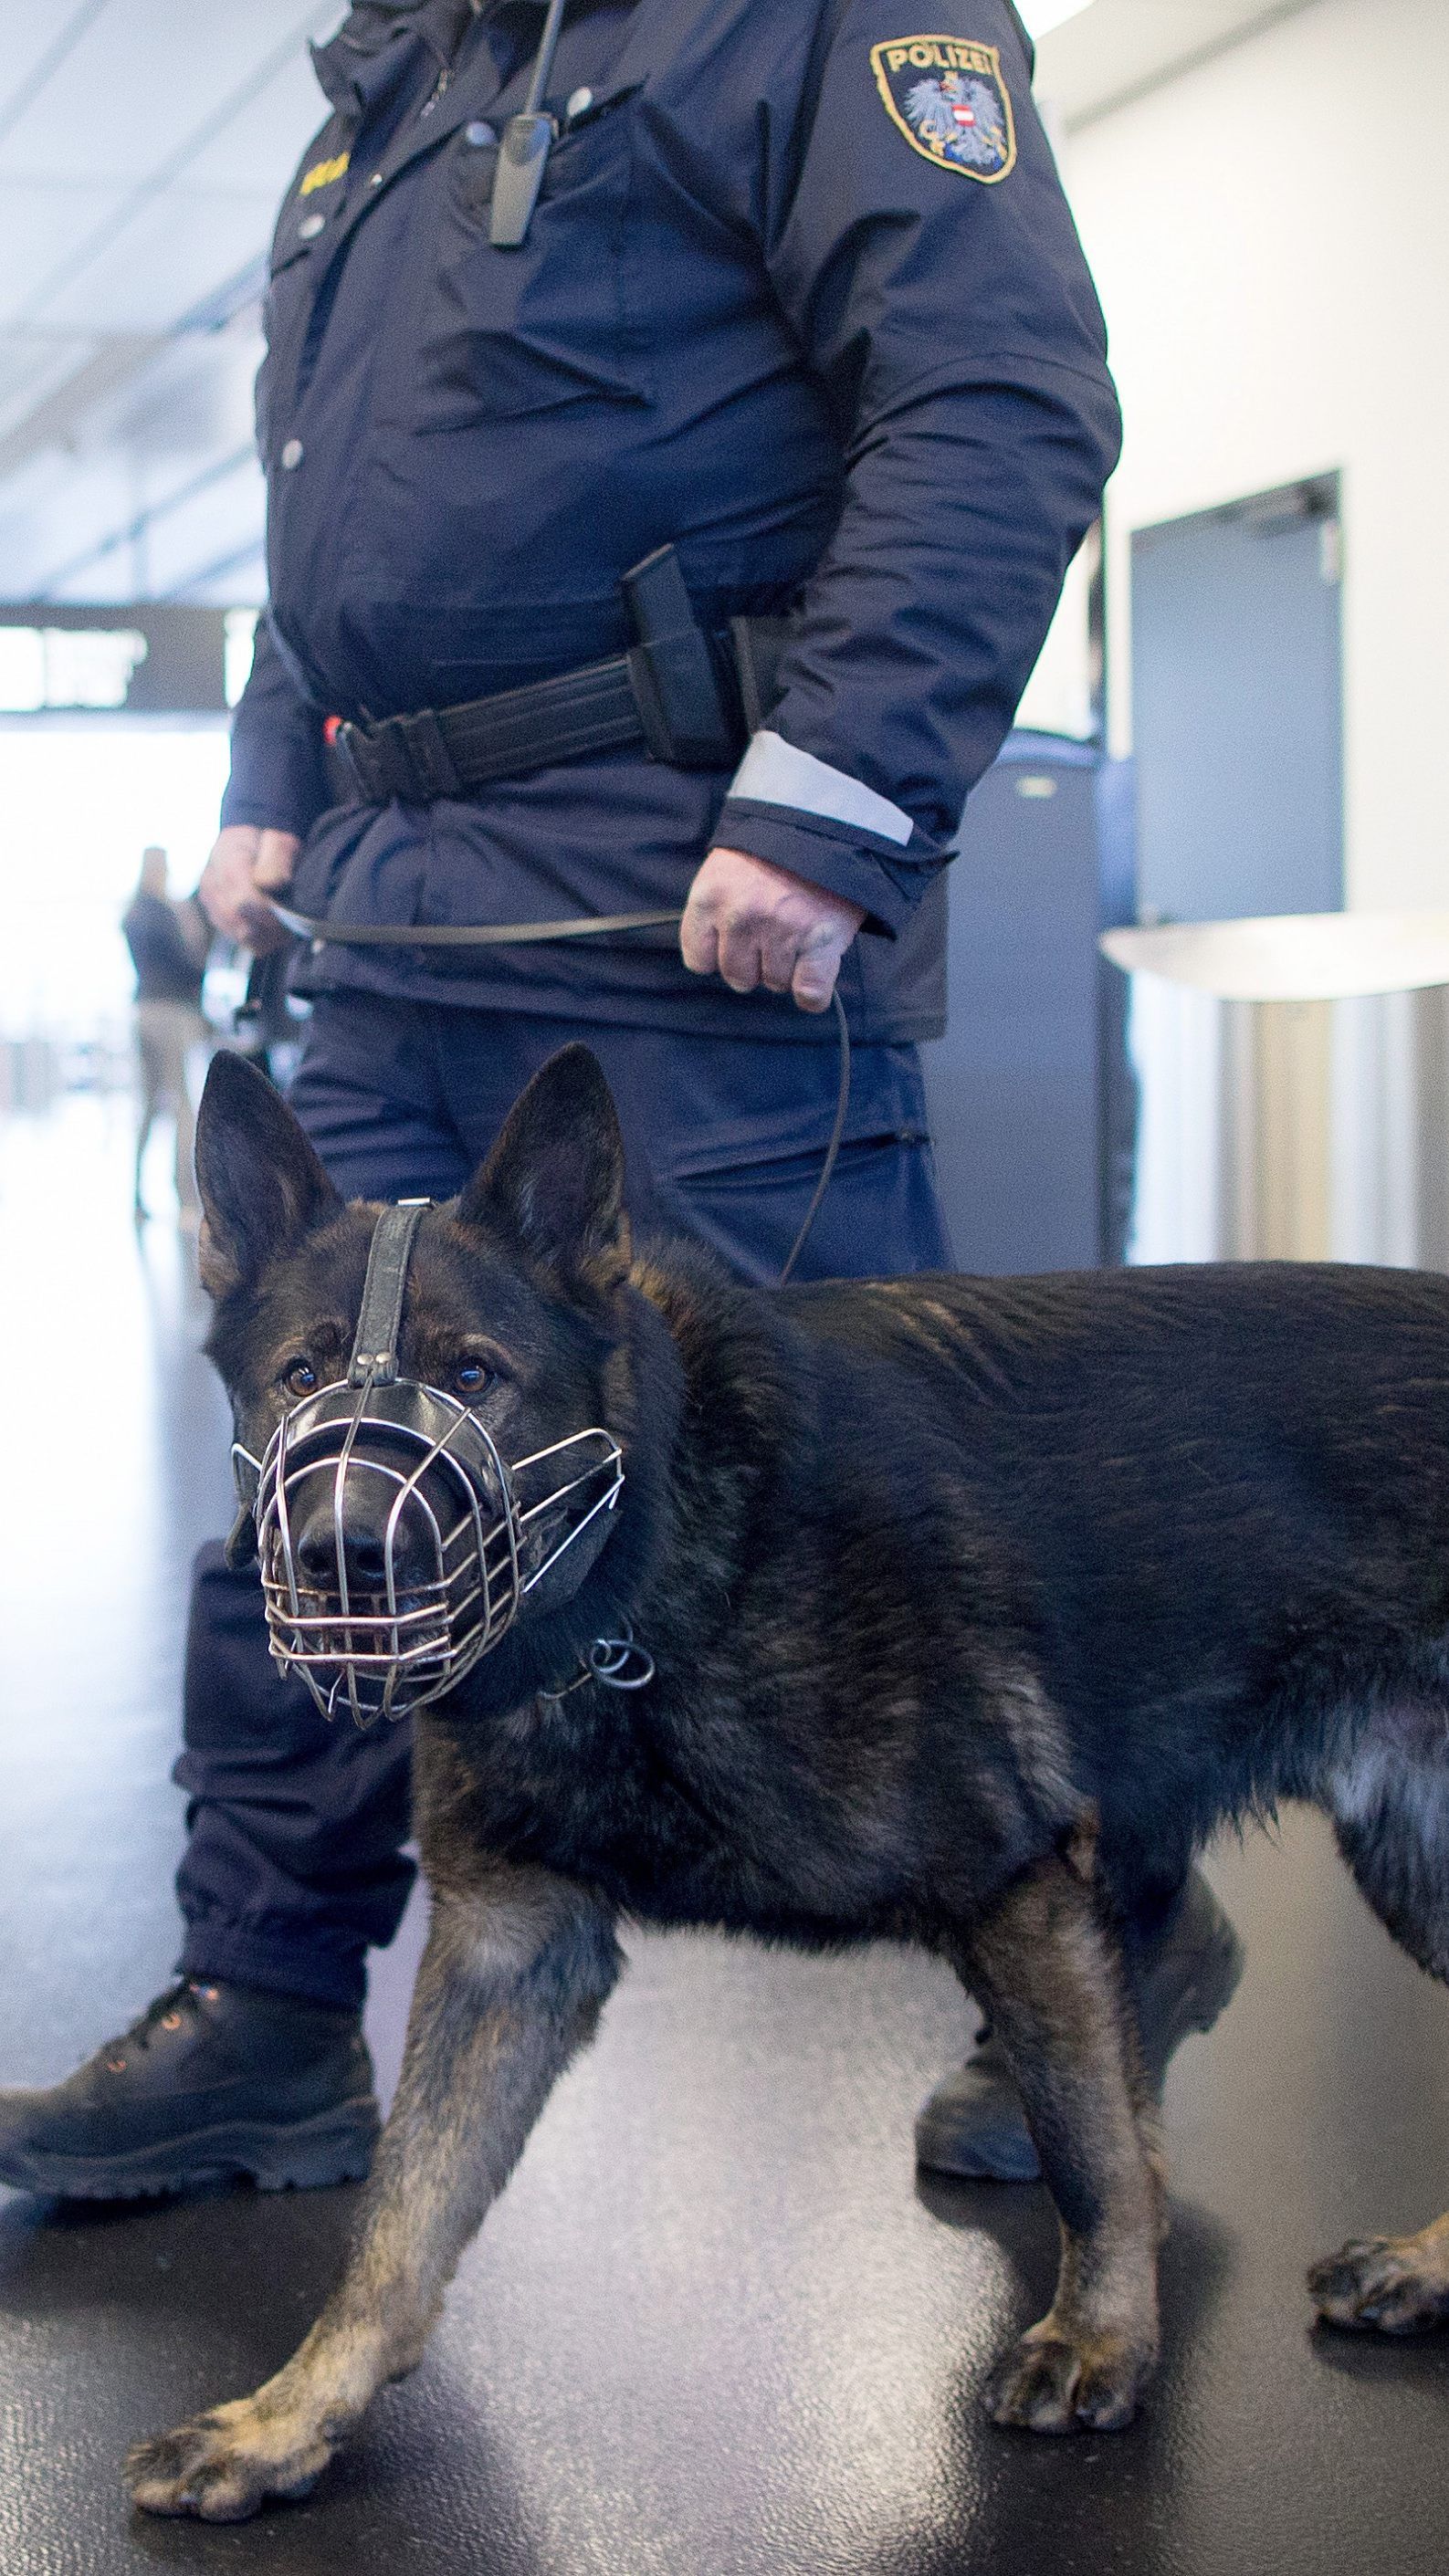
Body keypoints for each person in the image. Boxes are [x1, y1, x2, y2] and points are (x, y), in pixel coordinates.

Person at [0, 0, 1238, 2204]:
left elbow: (996, 401)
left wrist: (837, 802)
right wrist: (270, 786)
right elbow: (340, 538)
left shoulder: (808, 20)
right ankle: (266, 2018)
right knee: (321, 1484)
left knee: (883, 1530)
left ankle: (1114, 1952)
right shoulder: (393, 89)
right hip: (392, 930)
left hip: (688, 912)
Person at [121, 846, 211, 1221]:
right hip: (173, 1012)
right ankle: (186, 1199)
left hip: (142, 1011)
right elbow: (189, 965)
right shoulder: (165, 913)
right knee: (181, 1105)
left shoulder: (132, 914)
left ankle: (137, 1197)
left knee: (147, 1106)